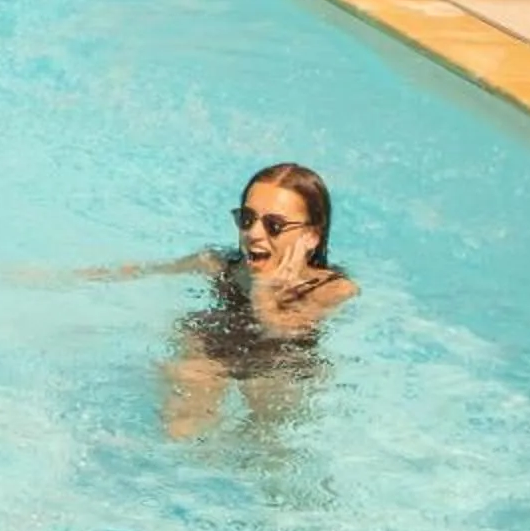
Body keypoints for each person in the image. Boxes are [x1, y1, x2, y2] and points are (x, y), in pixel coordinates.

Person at [80, 163, 358, 439]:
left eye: (274, 225)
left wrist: (264, 289)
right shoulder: (221, 265)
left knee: (267, 406)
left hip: (279, 366)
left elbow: (284, 330)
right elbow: (141, 270)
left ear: (310, 236)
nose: (254, 233)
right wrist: (63, 276)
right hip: (216, 347)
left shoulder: (331, 288)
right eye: (247, 219)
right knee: (182, 424)